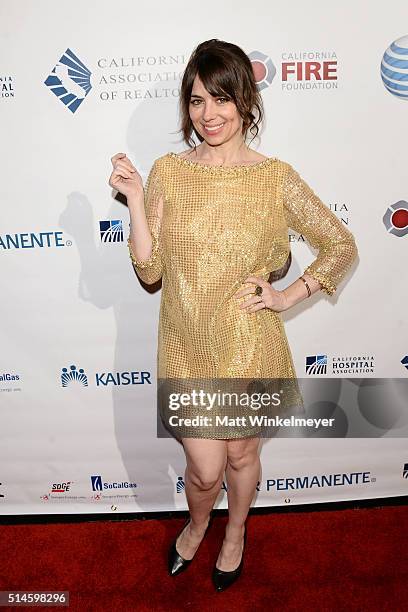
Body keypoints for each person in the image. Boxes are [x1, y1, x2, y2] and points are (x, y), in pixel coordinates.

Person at [108, 39, 358, 592]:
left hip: (250, 341)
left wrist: (288, 296)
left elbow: (340, 245)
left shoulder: (275, 176)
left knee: (242, 453)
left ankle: (236, 531)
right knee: (204, 468)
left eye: (221, 99)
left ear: (246, 100)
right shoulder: (169, 173)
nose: (209, 114)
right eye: (197, 101)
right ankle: (199, 523)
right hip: (186, 341)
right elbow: (149, 272)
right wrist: (135, 197)